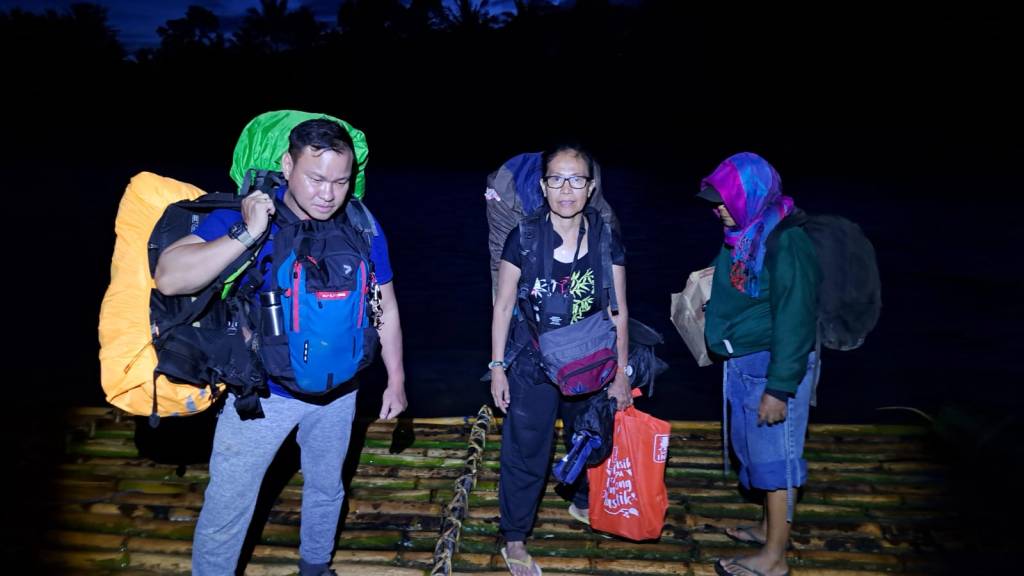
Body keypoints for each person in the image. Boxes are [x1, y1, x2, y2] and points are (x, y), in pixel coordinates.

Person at [155, 118, 407, 576]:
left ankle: (316, 566)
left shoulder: (363, 224)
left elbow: (383, 302)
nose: (328, 194)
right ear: (288, 165)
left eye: (340, 181)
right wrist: (247, 232)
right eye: (316, 179)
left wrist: (397, 379)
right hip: (262, 395)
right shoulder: (250, 215)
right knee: (229, 500)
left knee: (327, 488)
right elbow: (171, 277)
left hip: (340, 392)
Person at [489, 143, 631, 576]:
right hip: (533, 360)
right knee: (525, 449)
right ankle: (515, 537)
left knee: (587, 434)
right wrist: (497, 367)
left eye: (575, 180)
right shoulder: (525, 237)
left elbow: (618, 310)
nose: (566, 190)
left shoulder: (605, 238)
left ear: (590, 187)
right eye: (556, 179)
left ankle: (582, 501)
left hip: (589, 358)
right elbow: (503, 305)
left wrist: (621, 373)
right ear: (543, 185)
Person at [698, 152, 819, 576]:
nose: (717, 208)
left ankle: (775, 558)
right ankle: (768, 529)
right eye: (714, 200)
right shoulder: (745, 233)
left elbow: (796, 317)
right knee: (754, 450)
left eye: (724, 200)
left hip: (772, 367)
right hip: (744, 361)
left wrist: (779, 388)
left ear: (749, 196)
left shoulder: (787, 242)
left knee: (776, 459)